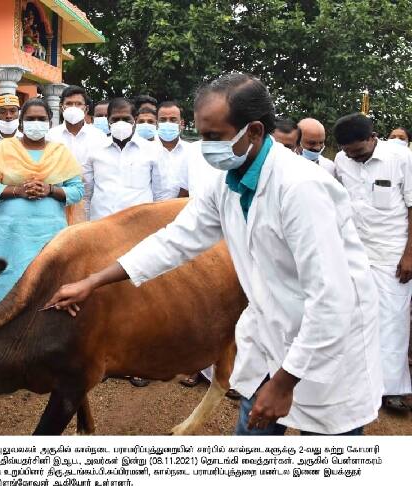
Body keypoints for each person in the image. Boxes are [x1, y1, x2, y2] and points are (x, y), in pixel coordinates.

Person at [49, 74, 382, 436]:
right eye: (201, 134)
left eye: (213, 137)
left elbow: (331, 300)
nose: (204, 146)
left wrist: (285, 383)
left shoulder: (302, 189)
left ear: (253, 131)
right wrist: (93, 281)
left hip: (327, 348)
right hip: (272, 336)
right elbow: (175, 240)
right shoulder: (227, 182)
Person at [333, 113, 412, 412]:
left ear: (373, 137)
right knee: (355, 316)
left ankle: (391, 389)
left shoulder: (400, 157)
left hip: (393, 253)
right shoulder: (342, 160)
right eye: (348, 151)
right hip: (355, 250)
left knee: (392, 320)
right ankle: (357, 380)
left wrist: (409, 255)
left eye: (359, 151)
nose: (353, 156)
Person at [0, 98, 84, 305]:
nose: (36, 123)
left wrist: (50, 189)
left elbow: (77, 191)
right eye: (30, 118)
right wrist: (18, 190)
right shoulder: (3, 149)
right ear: (21, 123)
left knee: (49, 283)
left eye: (41, 119)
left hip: (51, 233)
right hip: (11, 235)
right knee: (9, 284)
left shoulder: (60, 153)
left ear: (50, 122)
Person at [84, 97, 172, 221]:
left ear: (134, 120)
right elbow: (87, 194)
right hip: (101, 226)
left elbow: (161, 195)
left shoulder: (153, 150)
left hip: (139, 226)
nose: (120, 123)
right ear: (108, 121)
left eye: (126, 119)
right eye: (115, 119)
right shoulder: (94, 150)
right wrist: (86, 223)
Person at [47, 85, 106, 167]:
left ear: (86, 109)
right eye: (69, 103)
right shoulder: (50, 136)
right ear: (61, 107)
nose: (74, 108)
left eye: (79, 104)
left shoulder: (99, 136)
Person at [157, 102, 191, 201]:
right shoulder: (146, 151)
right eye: (163, 120)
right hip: (150, 211)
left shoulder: (191, 151)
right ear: (157, 124)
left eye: (173, 120)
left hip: (183, 210)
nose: (168, 123)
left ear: (181, 123)